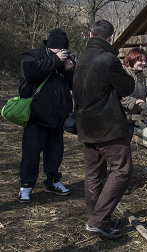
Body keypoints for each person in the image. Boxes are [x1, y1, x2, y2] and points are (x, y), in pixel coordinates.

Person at [72, 19, 135, 239]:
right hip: (107, 127)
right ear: (110, 38)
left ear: (90, 36)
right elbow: (128, 87)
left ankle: (98, 218)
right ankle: (98, 220)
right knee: (123, 170)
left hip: (85, 126)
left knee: (94, 174)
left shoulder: (81, 58)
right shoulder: (109, 60)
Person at [18, 28, 74, 203]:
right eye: (60, 50)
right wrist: (55, 60)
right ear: (52, 47)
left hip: (57, 117)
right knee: (31, 153)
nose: (63, 52)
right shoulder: (31, 55)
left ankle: (53, 181)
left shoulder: (64, 60)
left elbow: (72, 85)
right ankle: (26, 186)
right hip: (36, 116)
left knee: (55, 153)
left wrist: (70, 70)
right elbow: (29, 72)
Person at [120, 47, 147, 142]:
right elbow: (118, 95)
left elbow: (142, 97)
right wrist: (134, 102)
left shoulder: (141, 76)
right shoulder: (123, 72)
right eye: (140, 60)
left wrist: (144, 115)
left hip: (131, 120)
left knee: (125, 149)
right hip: (119, 119)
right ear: (132, 59)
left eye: (145, 61)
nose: (144, 63)